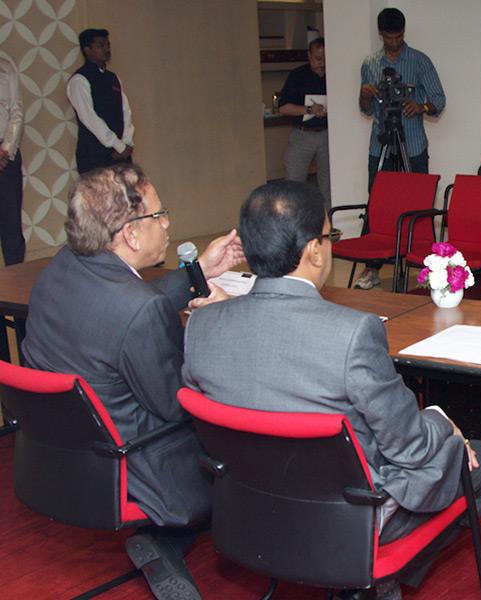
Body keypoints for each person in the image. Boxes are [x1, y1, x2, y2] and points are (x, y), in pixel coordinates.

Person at [182, 180, 481, 600]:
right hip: (346, 520)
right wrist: (443, 423)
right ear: (314, 251)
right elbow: (410, 448)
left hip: (251, 511)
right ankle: (376, 581)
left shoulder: (202, 325)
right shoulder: (352, 334)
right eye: (329, 235)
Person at [22, 164, 244, 600]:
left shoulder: (62, 267)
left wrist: (199, 270)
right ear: (130, 234)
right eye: (160, 215)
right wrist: (220, 325)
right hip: (139, 461)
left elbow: (123, 308)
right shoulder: (138, 310)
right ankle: (172, 539)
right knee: (248, 422)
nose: (168, 225)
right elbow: (179, 404)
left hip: (63, 454)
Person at [357, 8, 446, 290]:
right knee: (377, 203)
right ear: (381, 34)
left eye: (398, 37)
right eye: (389, 37)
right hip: (381, 142)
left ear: (403, 33)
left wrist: (420, 106)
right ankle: (371, 267)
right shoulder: (370, 63)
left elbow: (439, 101)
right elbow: (364, 109)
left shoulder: (420, 61)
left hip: (413, 143)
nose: (394, 42)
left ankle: (426, 267)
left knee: (418, 203)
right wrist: (364, 95)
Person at [68, 28, 135, 175]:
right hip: (94, 155)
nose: (106, 50)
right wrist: (117, 145)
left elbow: (125, 110)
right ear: (87, 50)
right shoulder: (79, 80)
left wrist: (126, 142)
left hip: (120, 154)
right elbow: (89, 118)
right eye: (100, 46)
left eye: (108, 45)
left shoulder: (113, 78)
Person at [278, 37, 329, 207]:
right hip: (303, 133)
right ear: (309, 56)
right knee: (294, 182)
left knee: (328, 184)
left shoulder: (333, 74)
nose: (322, 63)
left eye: (325, 59)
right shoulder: (298, 75)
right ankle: (294, 217)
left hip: (327, 134)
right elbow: (283, 107)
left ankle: (328, 218)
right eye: (318, 58)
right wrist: (308, 110)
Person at [0, 54, 25, 266]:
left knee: (11, 225)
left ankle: (15, 277)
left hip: (5, 156)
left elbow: (16, 112)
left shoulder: (5, 67)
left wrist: (5, 150)